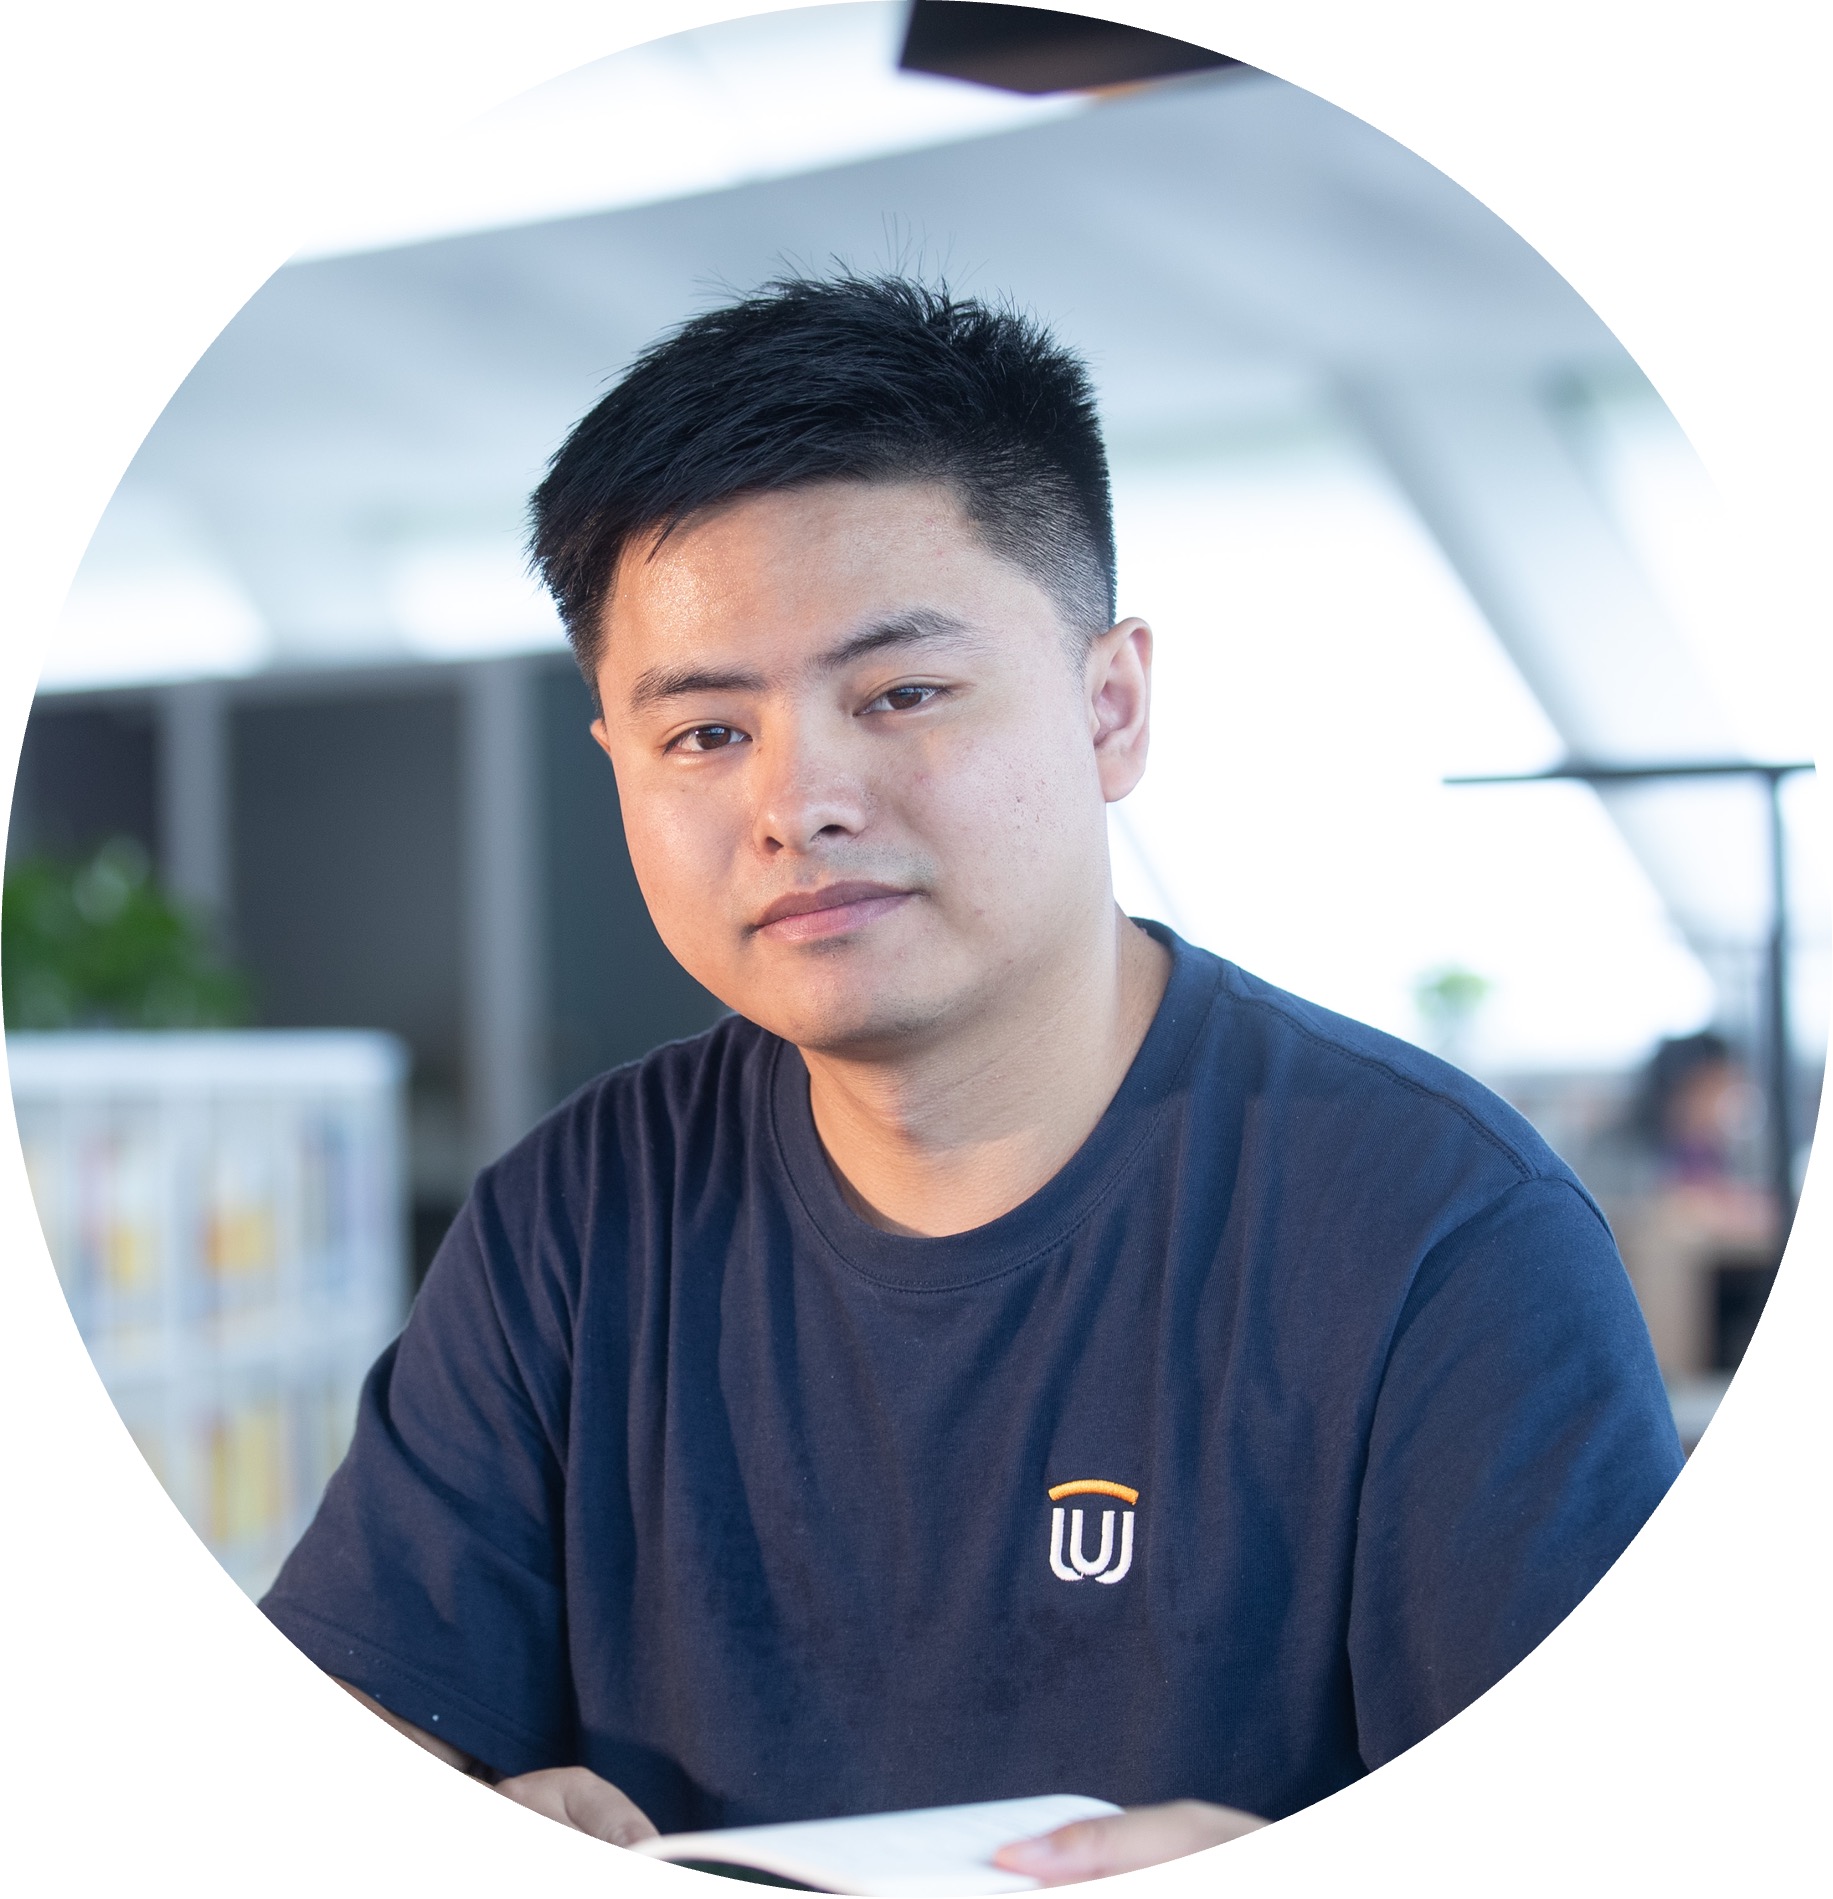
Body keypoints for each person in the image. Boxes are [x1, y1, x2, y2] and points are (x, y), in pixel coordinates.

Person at [261, 275, 1683, 1884]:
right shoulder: (575, 1218)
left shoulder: (1443, 1239)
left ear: (1109, 709)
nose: (798, 804)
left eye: (900, 695)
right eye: (706, 735)